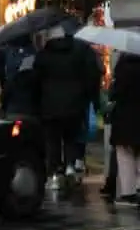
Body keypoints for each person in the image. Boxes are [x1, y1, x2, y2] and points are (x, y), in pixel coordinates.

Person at [32, 23, 103, 188]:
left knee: (52, 140)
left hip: (49, 105)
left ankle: (55, 173)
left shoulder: (44, 54)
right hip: (74, 103)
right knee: (71, 137)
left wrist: (38, 101)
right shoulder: (80, 51)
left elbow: (35, 80)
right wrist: (88, 97)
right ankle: (70, 166)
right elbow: (91, 74)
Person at [107, 51, 140, 205]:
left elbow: (114, 94)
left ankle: (128, 193)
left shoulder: (122, 69)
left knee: (125, 155)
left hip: (124, 119)